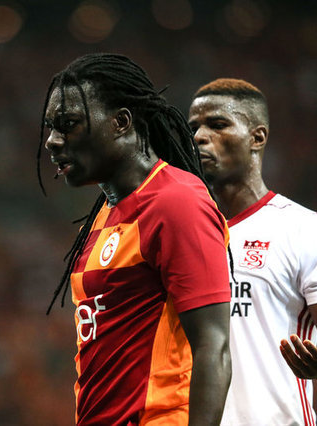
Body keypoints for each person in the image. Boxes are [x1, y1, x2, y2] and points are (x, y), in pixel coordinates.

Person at [38, 53, 231, 425]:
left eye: (68, 124)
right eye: (51, 128)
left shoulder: (177, 202)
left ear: (121, 122)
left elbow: (214, 346)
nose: (52, 141)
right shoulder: (102, 216)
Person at [188, 78, 317, 425]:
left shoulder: (303, 230)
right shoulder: (180, 232)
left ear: (257, 137)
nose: (199, 137)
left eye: (217, 124)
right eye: (193, 128)